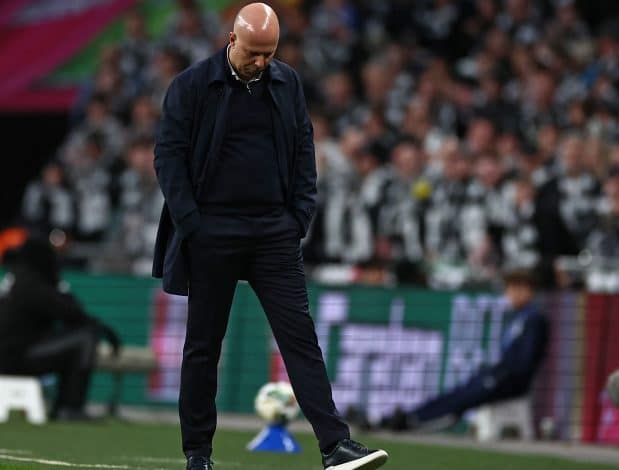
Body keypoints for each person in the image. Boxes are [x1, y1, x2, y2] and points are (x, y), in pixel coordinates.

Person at [152, 4, 388, 470]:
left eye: (270, 54)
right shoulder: (192, 85)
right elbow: (168, 159)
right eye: (254, 53)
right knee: (203, 346)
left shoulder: (288, 82)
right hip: (212, 231)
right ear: (232, 39)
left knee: (300, 338)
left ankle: (334, 447)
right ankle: (198, 454)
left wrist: (299, 217)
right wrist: (194, 226)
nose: (262, 62)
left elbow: (304, 148)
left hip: (273, 233)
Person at [378, 269, 549, 431]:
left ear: (525, 290)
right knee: (460, 391)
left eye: (512, 289)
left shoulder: (534, 319)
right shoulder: (520, 317)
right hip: (501, 375)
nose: (508, 295)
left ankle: (414, 421)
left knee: (466, 396)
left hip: (511, 382)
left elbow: (526, 361)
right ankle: (412, 416)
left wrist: (501, 374)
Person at [0, 237, 120, 421]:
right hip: (14, 359)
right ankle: (69, 407)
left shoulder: (17, 278)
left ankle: (64, 407)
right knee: (85, 338)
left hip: (11, 354)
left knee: (78, 335)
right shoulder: (33, 283)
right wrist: (102, 329)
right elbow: (73, 314)